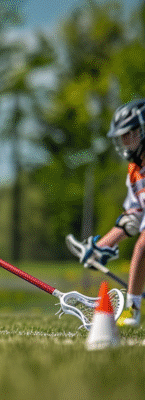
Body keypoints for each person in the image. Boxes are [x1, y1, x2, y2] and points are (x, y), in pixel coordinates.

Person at [66, 98, 145, 327]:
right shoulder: (134, 171)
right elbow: (134, 217)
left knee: (142, 245)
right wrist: (103, 246)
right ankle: (134, 309)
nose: (123, 141)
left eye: (129, 133)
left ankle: (133, 309)